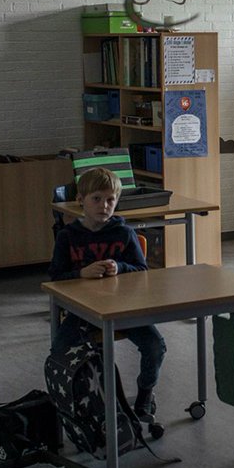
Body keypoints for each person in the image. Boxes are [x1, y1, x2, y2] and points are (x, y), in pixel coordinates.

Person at [49, 166, 165, 421]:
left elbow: (141, 270)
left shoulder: (124, 233)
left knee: (155, 346)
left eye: (111, 200)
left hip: (123, 309)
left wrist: (120, 266)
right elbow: (55, 278)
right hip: (83, 312)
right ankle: (74, 400)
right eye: (96, 199)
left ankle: (145, 395)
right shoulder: (67, 237)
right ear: (81, 201)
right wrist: (81, 273)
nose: (104, 205)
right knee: (59, 349)